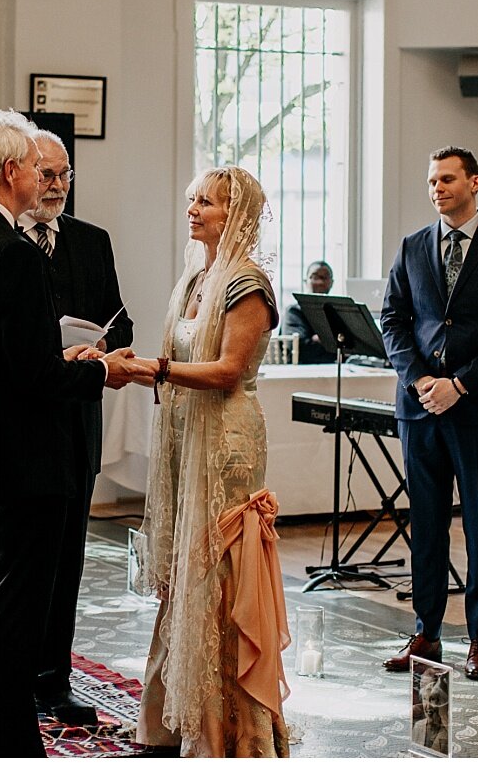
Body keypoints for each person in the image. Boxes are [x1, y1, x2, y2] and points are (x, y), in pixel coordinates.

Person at [0, 108, 151, 757]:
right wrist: (96, 369)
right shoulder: (12, 252)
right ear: (11, 170)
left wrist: (45, 359)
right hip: (26, 458)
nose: (42, 176)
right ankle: (11, 746)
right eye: (32, 163)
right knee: (15, 610)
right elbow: (35, 377)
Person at [130, 166, 291, 757]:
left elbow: (227, 371)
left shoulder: (247, 284)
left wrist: (154, 369)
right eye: (191, 199)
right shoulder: (195, 278)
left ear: (238, 214)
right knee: (183, 573)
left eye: (208, 203)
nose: (193, 209)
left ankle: (229, 730)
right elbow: (178, 352)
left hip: (227, 442)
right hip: (184, 434)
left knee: (216, 569)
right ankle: (172, 720)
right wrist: (144, 364)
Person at [379, 146, 478, 682]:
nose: (437, 188)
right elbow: (392, 320)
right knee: (425, 524)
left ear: (475, 182)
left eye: (447, 179)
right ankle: (426, 632)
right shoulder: (413, 246)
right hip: (420, 408)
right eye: (431, 181)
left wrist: (459, 385)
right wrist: (422, 381)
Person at [20, 130, 134, 726]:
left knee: (66, 564)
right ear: (18, 172)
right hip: (17, 428)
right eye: (46, 172)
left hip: (73, 427)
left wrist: (101, 346)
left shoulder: (92, 243)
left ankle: (53, 681)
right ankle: (7, 677)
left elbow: (122, 319)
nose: (58, 184)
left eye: (65, 173)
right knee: (14, 565)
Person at [281, 260, 337, 364]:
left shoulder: (337, 313)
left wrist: (320, 340)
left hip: (333, 369)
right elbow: (299, 348)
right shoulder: (294, 312)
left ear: (332, 282)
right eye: (315, 277)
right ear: (305, 281)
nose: (320, 282)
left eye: (324, 278)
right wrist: (332, 344)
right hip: (302, 372)